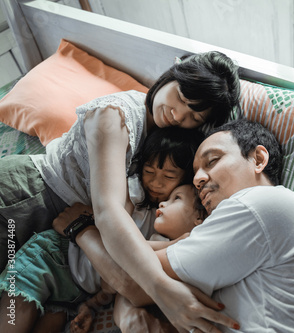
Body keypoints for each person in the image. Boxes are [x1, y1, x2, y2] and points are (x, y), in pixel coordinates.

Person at [0, 51, 241, 331]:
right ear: (174, 73)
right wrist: (162, 290)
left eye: (193, 116)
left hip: (59, 233)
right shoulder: (114, 116)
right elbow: (109, 212)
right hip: (26, 195)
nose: (178, 114)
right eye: (182, 98)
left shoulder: (169, 140)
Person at [126, 119, 294, 332]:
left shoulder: (257, 205)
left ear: (258, 159)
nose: (197, 179)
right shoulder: (257, 216)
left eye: (212, 161)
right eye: (195, 172)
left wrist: (92, 228)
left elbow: (131, 281)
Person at [0, 127, 204, 332]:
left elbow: (112, 284)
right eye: (149, 171)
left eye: (169, 176)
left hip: (75, 291)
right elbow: (121, 241)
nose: (155, 182)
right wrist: (173, 246)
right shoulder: (135, 194)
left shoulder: (162, 221)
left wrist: (90, 306)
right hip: (52, 256)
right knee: (16, 312)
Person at [69, 183, 208, 333]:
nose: (162, 203)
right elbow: (113, 286)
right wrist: (90, 306)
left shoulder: (186, 243)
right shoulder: (157, 240)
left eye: (176, 198)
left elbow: (126, 252)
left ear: (199, 218)